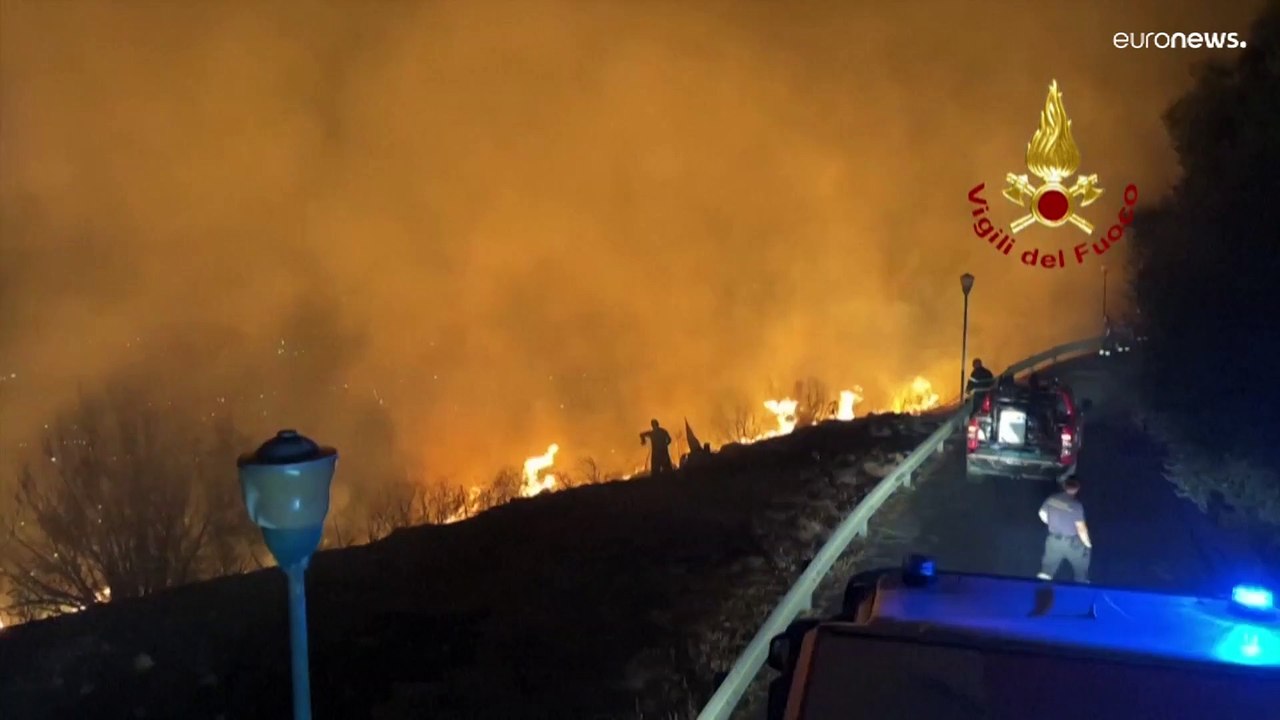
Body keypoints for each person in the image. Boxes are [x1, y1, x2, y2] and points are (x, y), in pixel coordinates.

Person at [1037, 477, 1092, 582]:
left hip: (1053, 541)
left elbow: (1041, 513)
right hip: (1073, 544)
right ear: (1077, 489)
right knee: (1081, 573)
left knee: (1046, 572)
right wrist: (1087, 544)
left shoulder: (1051, 499)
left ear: (1064, 486)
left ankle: (1040, 592)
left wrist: (1052, 523)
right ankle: (1081, 591)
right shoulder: (1076, 505)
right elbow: (1081, 528)